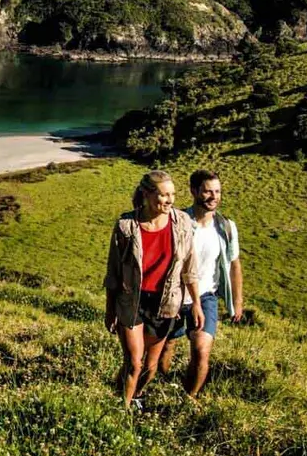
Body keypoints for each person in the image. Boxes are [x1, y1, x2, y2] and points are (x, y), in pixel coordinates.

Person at [103, 170, 200, 408]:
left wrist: (196, 303)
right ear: (146, 194)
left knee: (149, 368)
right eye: (163, 195)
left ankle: (132, 396)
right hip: (131, 301)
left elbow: (189, 266)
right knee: (134, 363)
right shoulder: (126, 226)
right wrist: (109, 310)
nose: (169, 200)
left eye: (172, 195)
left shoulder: (183, 223)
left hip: (165, 302)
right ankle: (120, 411)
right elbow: (113, 273)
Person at [159, 169, 241, 397]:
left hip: (206, 296)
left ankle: (189, 398)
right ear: (194, 191)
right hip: (174, 295)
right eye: (207, 191)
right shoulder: (178, 222)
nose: (213, 196)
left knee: (201, 350)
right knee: (167, 346)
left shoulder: (226, 227)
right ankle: (159, 385)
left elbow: (234, 264)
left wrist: (237, 300)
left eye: (217, 191)